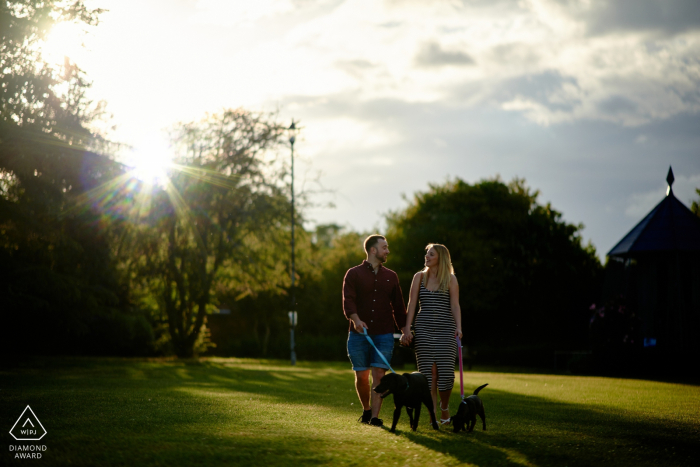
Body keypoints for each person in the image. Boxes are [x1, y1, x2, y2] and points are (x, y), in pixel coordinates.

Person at [343, 234, 407, 426]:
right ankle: (366, 410)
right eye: (384, 247)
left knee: (379, 375)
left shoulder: (391, 276)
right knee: (362, 376)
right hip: (358, 334)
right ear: (373, 250)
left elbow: (398, 306)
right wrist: (356, 320)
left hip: (384, 334)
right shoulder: (353, 274)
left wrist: (404, 330)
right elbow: (348, 300)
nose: (387, 251)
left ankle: (375, 418)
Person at [401, 243, 462, 426]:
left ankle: (444, 406)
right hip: (424, 329)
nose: (426, 257)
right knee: (428, 374)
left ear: (440, 258)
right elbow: (411, 305)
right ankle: (432, 414)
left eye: (431, 254)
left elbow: (455, 306)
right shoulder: (419, 277)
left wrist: (459, 328)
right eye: (426, 254)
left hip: (446, 330)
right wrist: (407, 328)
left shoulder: (451, 279)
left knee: (445, 374)